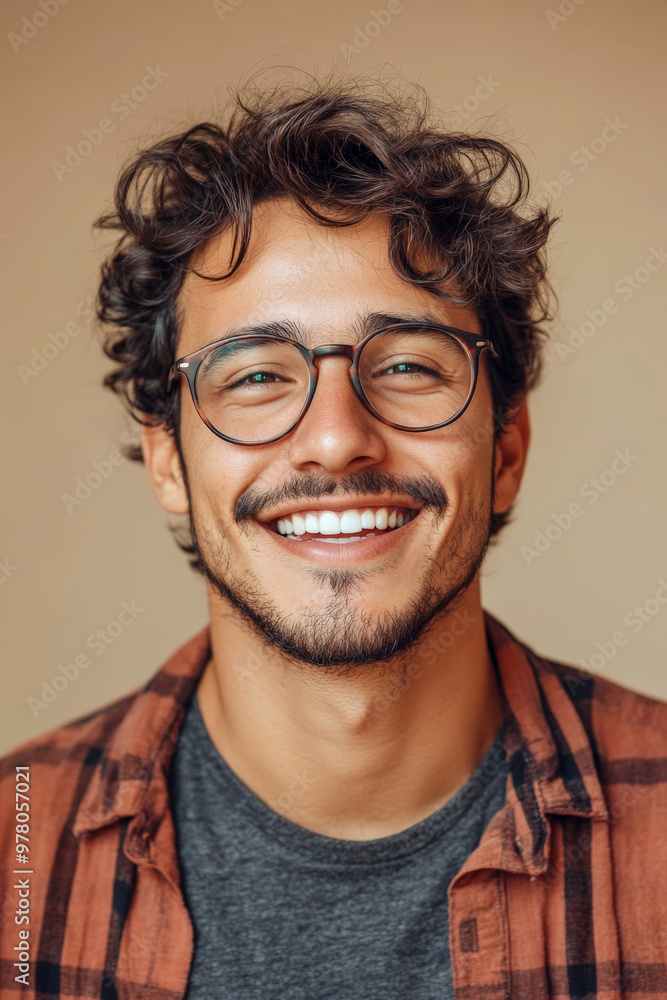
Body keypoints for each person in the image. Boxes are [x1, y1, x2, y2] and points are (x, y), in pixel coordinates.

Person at [1, 78, 666, 1000]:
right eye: (256, 376)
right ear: (168, 462)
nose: (335, 437)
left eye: (404, 364)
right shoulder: (13, 849)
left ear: (505, 445)